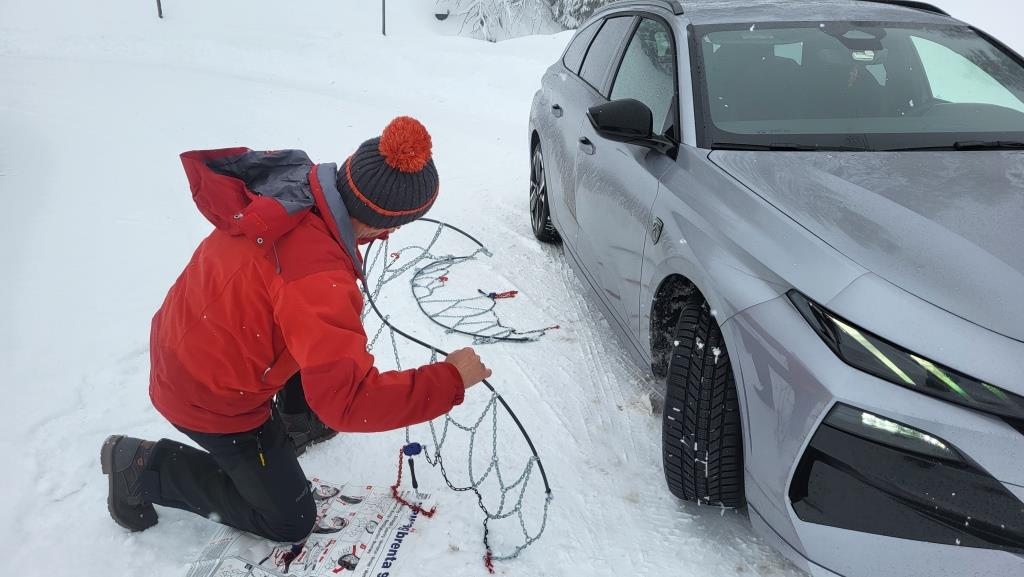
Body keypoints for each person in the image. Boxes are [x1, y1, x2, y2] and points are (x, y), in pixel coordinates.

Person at [100, 117, 490, 547]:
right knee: (290, 519)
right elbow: (349, 402)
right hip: (211, 396)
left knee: (319, 343)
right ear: (388, 224)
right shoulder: (316, 277)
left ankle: (298, 419)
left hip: (190, 340)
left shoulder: (291, 191)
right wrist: (450, 379)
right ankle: (143, 467)